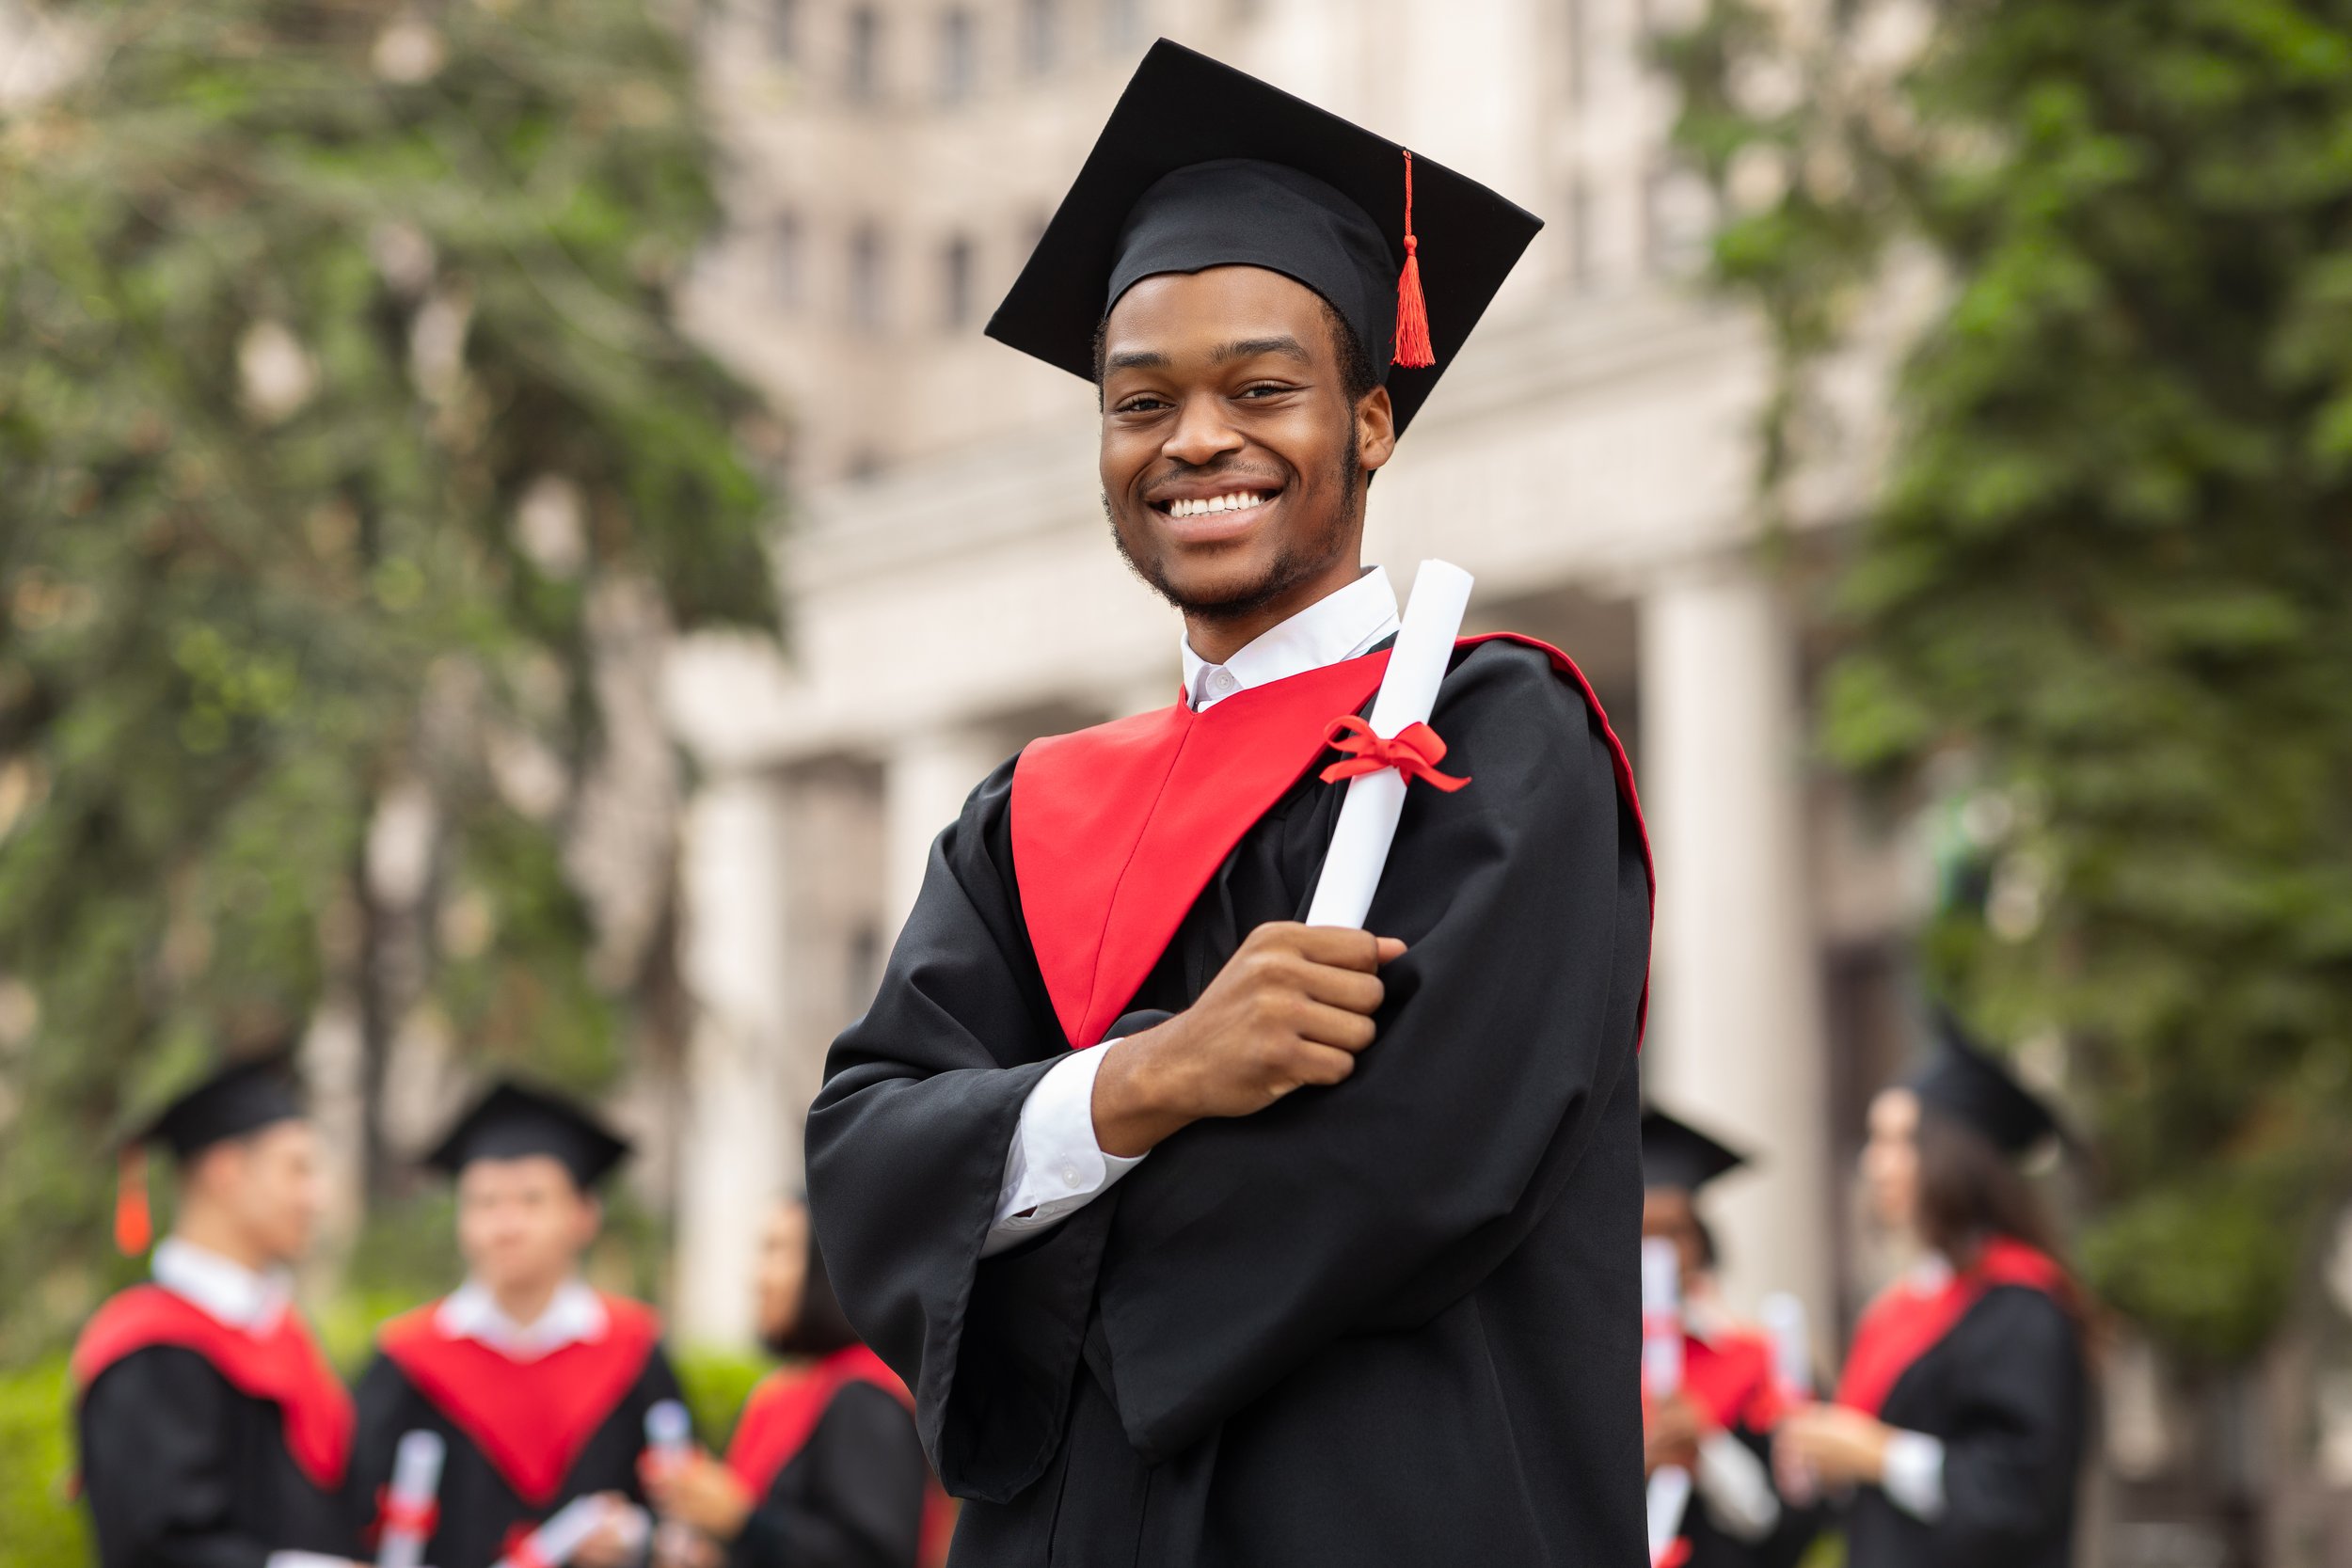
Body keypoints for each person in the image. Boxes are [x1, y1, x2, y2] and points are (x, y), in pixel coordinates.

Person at [804, 39, 1655, 1568]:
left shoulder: (1498, 737)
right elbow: (865, 1163)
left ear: (1372, 421)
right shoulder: (1028, 814)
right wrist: (1150, 1081)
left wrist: (1030, 1224)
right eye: (1143, 402)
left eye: (1263, 387)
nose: (1197, 439)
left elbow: (1414, 1162)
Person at [1775, 1012, 2090, 1567]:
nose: (1874, 1165)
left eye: (1897, 1142)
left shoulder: (2020, 1308)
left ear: (1955, 1157)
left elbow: (2017, 1493)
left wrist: (1876, 1454)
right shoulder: (1904, 1309)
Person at [351, 1079, 684, 1568]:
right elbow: (351, 1511)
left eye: (531, 1201)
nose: (506, 1225)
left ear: (583, 1216)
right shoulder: (405, 1361)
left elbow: (682, 1514)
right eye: (484, 1203)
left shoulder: (634, 1352)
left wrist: (636, 1537)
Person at [71, 1051, 364, 1568]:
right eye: (297, 1169)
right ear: (227, 1172)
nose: (315, 1197)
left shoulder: (280, 1333)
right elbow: (155, 1547)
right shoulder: (149, 1351)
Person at [645, 1196, 943, 1568]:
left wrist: (741, 1521)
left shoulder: (864, 1398)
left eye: (777, 1251)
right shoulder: (785, 1392)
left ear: (829, 1266)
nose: (758, 1278)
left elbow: (875, 1555)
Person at [1639, 1108, 1820, 1568]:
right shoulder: (1577, 1367)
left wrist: (1705, 1447)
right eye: (1639, 1232)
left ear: (1701, 1242)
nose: (1658, 1254)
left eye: (1675, 1232)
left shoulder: (1758, 1363)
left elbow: (1784, 1524)